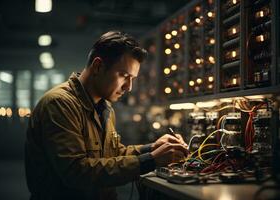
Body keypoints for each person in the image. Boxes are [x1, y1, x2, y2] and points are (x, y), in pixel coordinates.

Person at [25, 30, 188, 200]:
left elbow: (112, 154)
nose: (129, 87)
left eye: (132, 78)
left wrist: (153, 148)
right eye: (124, 76)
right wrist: (151, 160)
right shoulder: (59, 104)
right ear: (98, 66)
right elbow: (76, 172)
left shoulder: (104, 105)